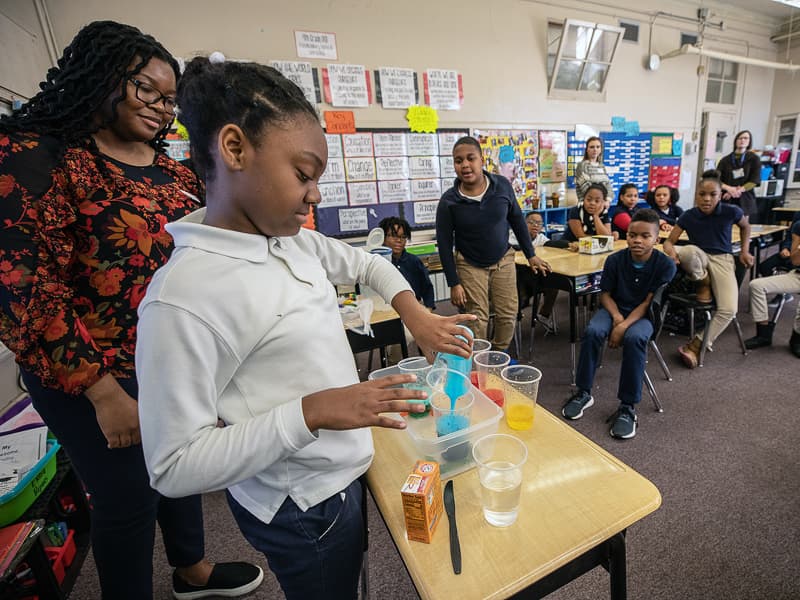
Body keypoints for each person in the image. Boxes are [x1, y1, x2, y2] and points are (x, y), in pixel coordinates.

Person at [134, 57, 476, 600]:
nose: (315, 194)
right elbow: (173, 466)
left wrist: (417, 314)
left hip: (341, 470)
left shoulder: (286, 238)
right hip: (301, 503)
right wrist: (312, 410)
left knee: (347, 573)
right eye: (303, 174)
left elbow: (367, 264)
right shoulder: (184, 299)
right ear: (234, 148)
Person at [0, 22, 263, 600]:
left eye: (169, 99)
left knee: (184, 466)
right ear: (100, 75)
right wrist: (103, 393)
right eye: (146, 89)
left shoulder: (170, 169)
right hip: (89, 370)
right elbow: (28, 292)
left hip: (166, 356)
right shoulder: (36, 158)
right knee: (127, 500)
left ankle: (191, 572)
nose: (160, 107)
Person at [561, 209, 676, 439]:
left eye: (645, 236)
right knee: (593, 331)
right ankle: (583, 392)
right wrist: (616, 318)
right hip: (614, 308)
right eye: (633, 235)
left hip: (644, 315)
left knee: (635, 338)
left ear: (657, 239)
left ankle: (627, 407)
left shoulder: (665, 265)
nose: (637, 240)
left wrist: (623, 326)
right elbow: (604, 295)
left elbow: (648, 302)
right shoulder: (615, 259)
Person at [436, 136, 551, 350]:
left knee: (508, 314)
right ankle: (479, 361)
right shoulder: (449, 201)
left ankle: (497, 358)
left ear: (482, 160)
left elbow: (517, 220)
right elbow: (443, 244)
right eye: (458, 161)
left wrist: (531, 254)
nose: (465, 165)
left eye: (471, 158)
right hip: (469, 264)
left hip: (503, 259)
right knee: (477, 318)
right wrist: (453, 283)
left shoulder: (502, 186)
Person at [662, 170, 754, 369]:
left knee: (729, 309)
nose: (706, 198)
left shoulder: (731, 211)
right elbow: (669, 242)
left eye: (712, 195)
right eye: (702, 194)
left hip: (722, 259)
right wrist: (671, 253)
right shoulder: (688, 216)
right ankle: (703, 282)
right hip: (699, 258)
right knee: (688, 251)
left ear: (720, 196)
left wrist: (745, 251)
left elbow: (746, 227)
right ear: (696, 195)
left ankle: (696, 344)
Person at [743, 218, 800, 356]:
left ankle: (797, 339)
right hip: (797, 275)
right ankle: (763, 335)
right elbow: (795, 260)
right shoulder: (799, 226)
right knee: (756, 285)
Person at [379, 216, 435, 310]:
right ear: (383, 238)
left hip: (412, 309)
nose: (399, 240)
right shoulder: (378, 262)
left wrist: (428, 309)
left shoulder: (414, 261)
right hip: (386, 310)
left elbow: (427, 288)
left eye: (403, 237)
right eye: (393, 236)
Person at [717, 129, 761, 222]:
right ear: (736, 140)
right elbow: (716, 180)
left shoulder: (754, 159)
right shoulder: (725, 160)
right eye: (740, 138)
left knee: (743, 225)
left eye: (746, 138)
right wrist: (729, 189)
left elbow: (754, 180)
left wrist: (737, 191)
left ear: (749, 141)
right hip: (727, 197)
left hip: (745, 198)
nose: (742, 140)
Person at [574, 136, 612, 202]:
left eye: (598, 147)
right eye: (592, 147)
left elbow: (608, 185)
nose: (595, 149)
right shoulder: (582, 165)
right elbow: (585, 186)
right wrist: (600, 200)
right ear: (587, 149)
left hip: (603, 204)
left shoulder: (602, 166)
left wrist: (608, 199)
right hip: (589, 204)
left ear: (601, 149)